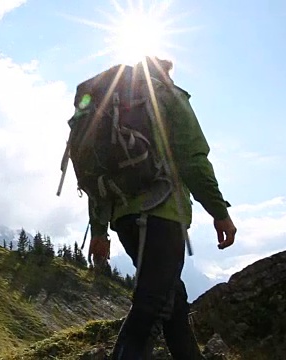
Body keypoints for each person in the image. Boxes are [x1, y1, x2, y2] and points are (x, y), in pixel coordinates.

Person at [85, 57, 237, 360]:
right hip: (163, 216)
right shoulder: (170, 97)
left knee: (173, 302)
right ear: (164, 72)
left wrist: (99, 231)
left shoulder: (111, 110)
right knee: (150, 305)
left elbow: (96, 175)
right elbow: (192, 159)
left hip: (125, 220)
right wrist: (219, 212)